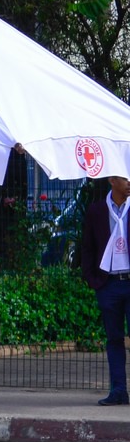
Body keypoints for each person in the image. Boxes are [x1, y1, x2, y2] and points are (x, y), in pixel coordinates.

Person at [76, 174, 130, 407]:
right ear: (112, 180)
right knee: (114, 339)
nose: (129, 183)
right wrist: (92, 279)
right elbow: (88, 246)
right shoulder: (97, 211)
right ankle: (118, 391)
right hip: (109, 284)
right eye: (125, 178)